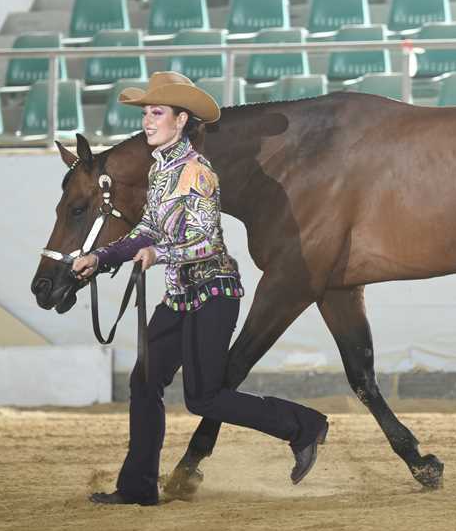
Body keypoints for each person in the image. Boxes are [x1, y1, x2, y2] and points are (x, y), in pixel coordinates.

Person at [72, 71, 328, 506]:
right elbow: (147, 229)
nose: (147, 121)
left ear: (180, 120)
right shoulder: (160, 170)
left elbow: (205, 241)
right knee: (145, 383)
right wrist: (101, 258)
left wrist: (158, 254)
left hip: (213, 294)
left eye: (156, 113)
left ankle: (304, 425)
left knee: (204, 398)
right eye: (146, 113)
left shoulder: (197, 172)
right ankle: (137, 488)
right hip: (180, 296)